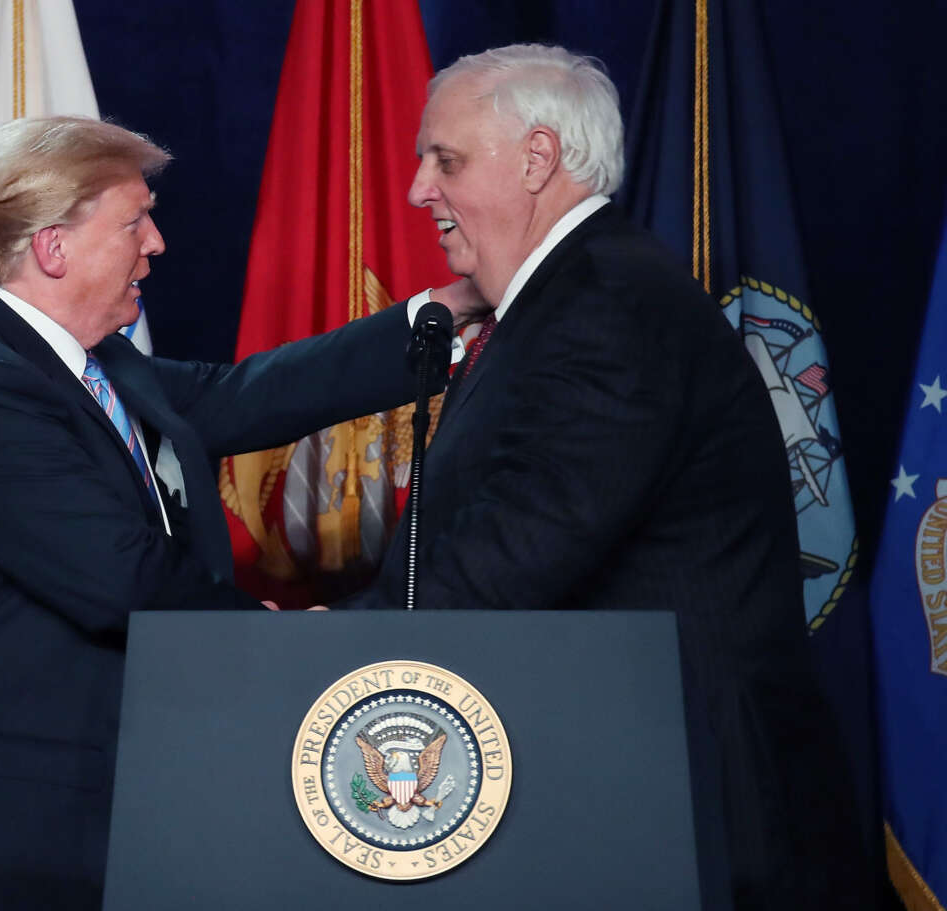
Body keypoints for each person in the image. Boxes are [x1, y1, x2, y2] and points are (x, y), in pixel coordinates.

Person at [0, 116, 452, 910]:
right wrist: (278, 644)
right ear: (52, 248)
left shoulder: (76, 358)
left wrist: (436, 324)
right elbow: (125, 578)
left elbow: (234, 396)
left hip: (51, 824)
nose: (157, 243)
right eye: (134, 221)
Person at [336, 45, 865, 909]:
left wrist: (329, 644)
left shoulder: (605, 305)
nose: (417, 189)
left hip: (690, 815)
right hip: (623, 791)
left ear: (537, 159)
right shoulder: (566, 300)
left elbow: (514, 555)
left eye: (448, 160)